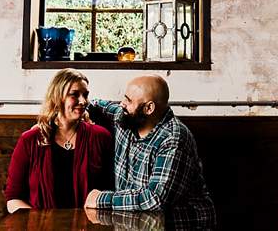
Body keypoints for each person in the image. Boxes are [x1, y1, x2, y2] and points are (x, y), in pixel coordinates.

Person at [84, 74, 216, 229]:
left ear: (149, 108)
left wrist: (101, 199)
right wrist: (82, 110)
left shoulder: (173, 139)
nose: (122, 104)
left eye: (129, 100)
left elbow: (155, 199)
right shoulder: (126, 117)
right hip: (137, 225)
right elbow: (98, 105)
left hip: (180, 225)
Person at [4, 68, 113, 212]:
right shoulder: (30, 140)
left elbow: (111, 190)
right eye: (74, 95)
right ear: (57, 97)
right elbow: (13, 198)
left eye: (85, 95)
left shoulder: (100, 137)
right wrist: (40, 224)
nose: (83, 101)